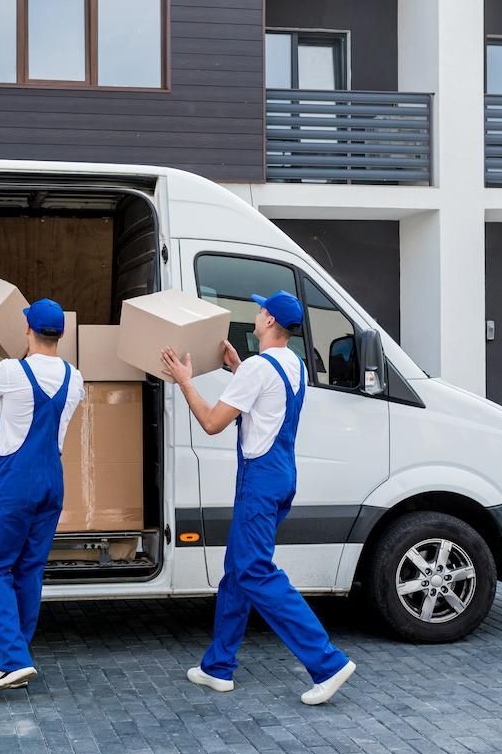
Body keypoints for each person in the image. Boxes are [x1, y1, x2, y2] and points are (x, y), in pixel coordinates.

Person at [159, 290, 356, 705]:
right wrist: (236, 366)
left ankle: (327, 662)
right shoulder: (294, 365)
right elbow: (266, 397)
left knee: (255, 571)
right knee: (238, 570)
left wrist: (184, 381)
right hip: (283, 475)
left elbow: (213, 423)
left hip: (259, 480)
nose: (257, 311)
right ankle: (218, 668)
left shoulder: (259, 369)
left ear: (268, 322)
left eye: (261, 309)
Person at [0, 298, 85, 692]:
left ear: (27, 330)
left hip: (14, 483)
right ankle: (10, 660)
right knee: (28, 571)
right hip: (52, 481)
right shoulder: (74, 378)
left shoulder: (12, 372)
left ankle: (13, 659)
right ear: (61, 334)